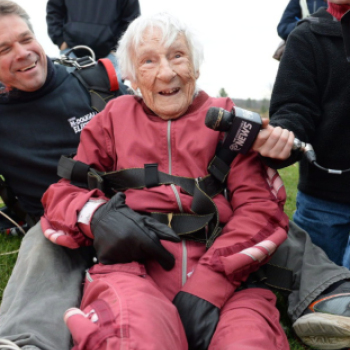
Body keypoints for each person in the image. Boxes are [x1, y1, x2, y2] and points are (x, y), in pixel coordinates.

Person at [0, 3, 349, 350]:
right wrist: (99, 216)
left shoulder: (229, 120)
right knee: (137, 337)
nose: (166, 73)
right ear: (131, 78)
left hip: (229, 279)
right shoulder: (111, 119)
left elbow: (259, 208)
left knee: (249, 339)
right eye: (148, 61)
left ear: (196, 67)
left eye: (177, 55)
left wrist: (209, 285)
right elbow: (66, 191)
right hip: (133, 272)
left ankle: (330, 294)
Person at [255, 0, 350, 269]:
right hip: (322, 201)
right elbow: (295, 107)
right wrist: (282, 136)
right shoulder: (306, 35)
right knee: (315, 291)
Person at [46, 0, 140, 81]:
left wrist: (116, 50)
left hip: (109, 56)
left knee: (110, 99)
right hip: (71, 53)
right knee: (71, 97)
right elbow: (54, 11)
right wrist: (60, 41)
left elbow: (131, 21)